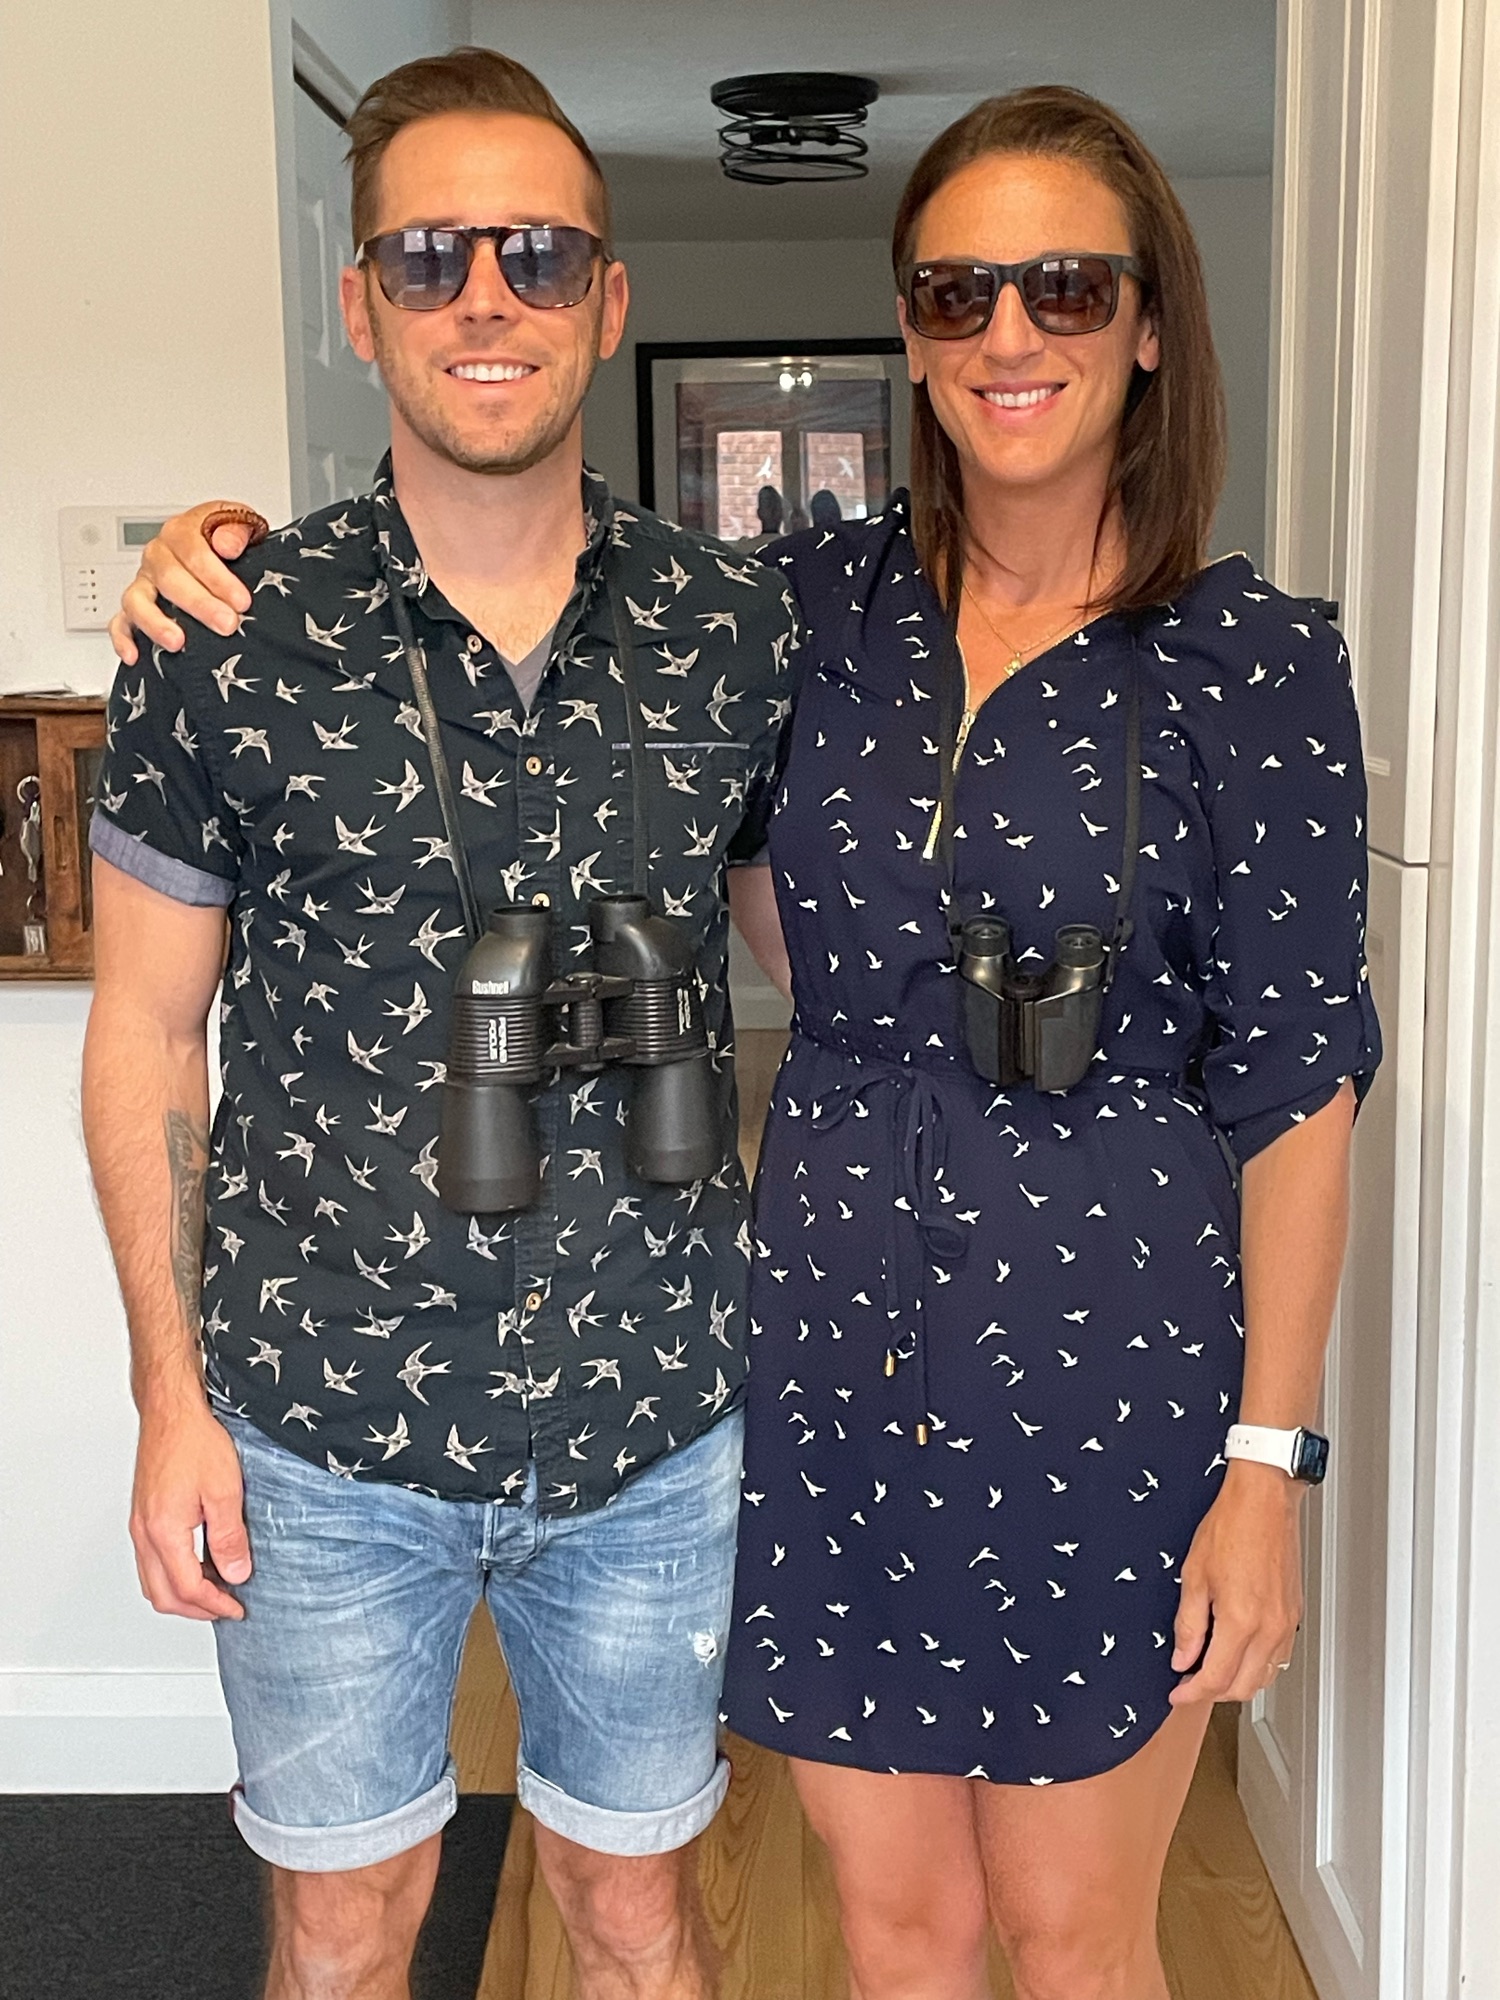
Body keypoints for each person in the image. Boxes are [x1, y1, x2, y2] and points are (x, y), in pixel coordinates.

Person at [115, 80, 1382, 2000]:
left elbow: (1299, 1081)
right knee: (894, 1925)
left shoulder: (1240, 663)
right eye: (955, 294)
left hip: (1093, 1367)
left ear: (1149, 325)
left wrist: (1269, 1460)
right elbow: (649, 780)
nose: (1008, 334)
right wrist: (201, 551)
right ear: (911, 336)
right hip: (818, 1355)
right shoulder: (808, 613)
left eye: (1064, 287)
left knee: (1073, 1934)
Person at [87, 47, 792, 2000]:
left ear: (609, 300)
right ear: (361, 301)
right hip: (315, 1429)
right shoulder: (227, 633)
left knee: (637, 1910)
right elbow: (143, 1038)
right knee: (344, 1920)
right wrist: (167, 1401)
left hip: (657, 1413)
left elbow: (836, 980)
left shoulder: (735, 629)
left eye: (539, 255)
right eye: (430, 256)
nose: (488, 297)